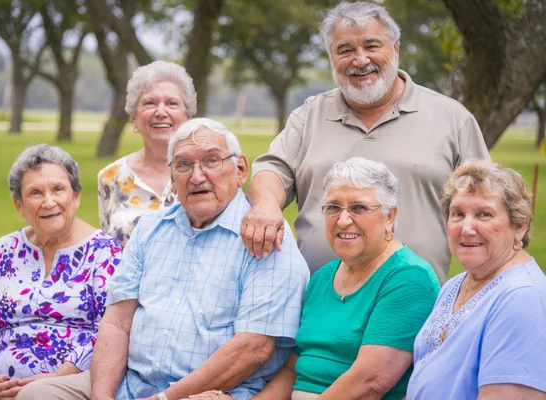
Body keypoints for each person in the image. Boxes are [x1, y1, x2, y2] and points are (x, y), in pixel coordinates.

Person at [16, 118, 310, 400]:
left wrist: (163, 398)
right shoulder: (150, 229)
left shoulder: (264, 233)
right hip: (130, 382)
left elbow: (253, 348)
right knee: (37, 395)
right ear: (172, 177)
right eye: (184, 165)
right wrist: (102, 395)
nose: (197, 176)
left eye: (211, 161)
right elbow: (118, 322)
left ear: (241, 169)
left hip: (214, 393)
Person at [241, 1, 489, 282]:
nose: (360, 60)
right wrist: (266, 204)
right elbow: (272, 171)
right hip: (319, 306)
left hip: (416, 306)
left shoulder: (452, 118)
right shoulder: (308, 116)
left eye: (372, 46)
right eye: (345, 50)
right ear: (331, 57)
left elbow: (487, 204)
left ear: (395, 49)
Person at [192, 157, 440, 400]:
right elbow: (293, 370)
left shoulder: (408, 278)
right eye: (333, 207)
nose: (343, 220)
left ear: (390, 217)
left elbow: (369, 383)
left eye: (359, 208)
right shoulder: (323, 277)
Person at [0, 144, 122, 400]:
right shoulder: (4, 249)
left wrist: (57, 378)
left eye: (58, 189)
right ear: (19, 205)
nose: (49, 201)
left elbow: (110, 330)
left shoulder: (104, 251)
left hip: (68, 384)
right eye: (35, 193)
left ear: (76, 196)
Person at [407, 160, 546, 399]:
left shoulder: (522, 296)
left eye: (484, 214)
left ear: (520, 226)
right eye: (458, 214)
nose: (466, 228)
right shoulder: (457, 284)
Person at [98, 60, 196, 247]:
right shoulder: (109, 176)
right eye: (150, 103)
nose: (161, 112)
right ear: (134, 118)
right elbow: (107, 252)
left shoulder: (206, 174)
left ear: (187, 116)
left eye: (172, 103)